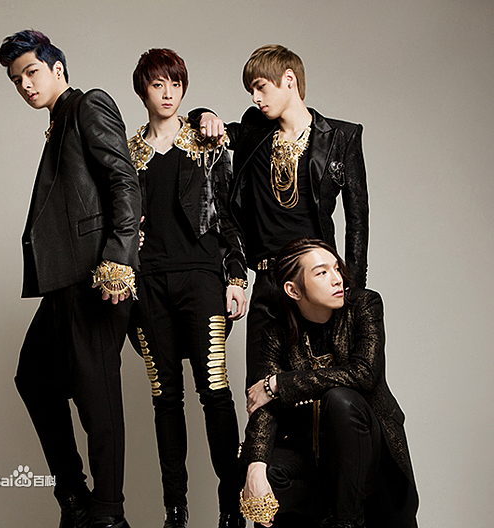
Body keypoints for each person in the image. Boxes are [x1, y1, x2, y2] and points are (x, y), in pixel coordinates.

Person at [0, 30, 140, 528]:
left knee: (98, 398)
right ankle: (75, 497)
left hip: (96, 277)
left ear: (57, 68)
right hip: (65, 281)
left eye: (32, 72)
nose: (25, 85)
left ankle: (108, 514)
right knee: (34, 378)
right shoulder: (58, 122)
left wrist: (118, 258)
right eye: (17, 80)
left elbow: (124, 180)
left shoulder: (87, 105)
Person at [192, 44, 370, 388]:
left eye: (261, 87)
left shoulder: (341, 138)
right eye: (251, 90)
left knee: (317, 389)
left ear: (289, 79)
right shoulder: (254, 131)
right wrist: (205, 115)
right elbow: (205, 128)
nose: (255, 98)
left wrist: (353, 294)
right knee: (259, 390)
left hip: (315, 280)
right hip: (267, 280)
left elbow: (357, 221)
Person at [126, 48, 247, 528]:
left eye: (175, 84)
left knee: (215, 392)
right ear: (143, 90)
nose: (168, 93)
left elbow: (229, 214)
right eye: (158, 84)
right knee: (165, 399)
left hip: (200, 277)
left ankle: (232, 506)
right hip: (148, 283)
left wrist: (236, 277)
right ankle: (174, 510)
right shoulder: (127, 154)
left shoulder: (206, 143)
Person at [239, 238, 419, 528]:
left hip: (370, 458)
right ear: (293, 290)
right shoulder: (276, 333)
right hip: (314, 459)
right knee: (261, 471)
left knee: (340, 400)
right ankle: (327, 513)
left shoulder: (364, 306)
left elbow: (364, 373)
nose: (337, 279)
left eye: (336, 268)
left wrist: (280, 384)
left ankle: (347, 521)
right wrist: (255, 468)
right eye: (322, 273)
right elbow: (264, 407)